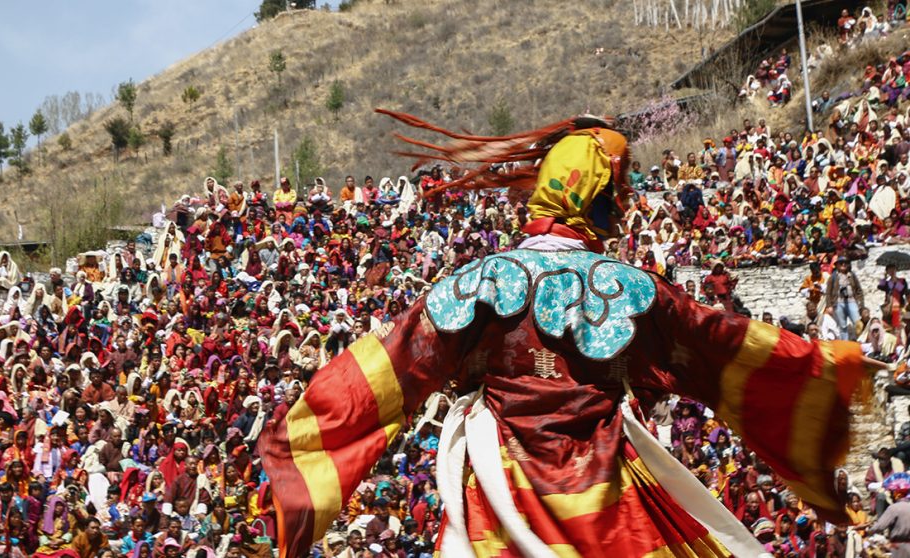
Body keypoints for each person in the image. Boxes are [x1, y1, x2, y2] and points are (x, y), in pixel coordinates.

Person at [261, 111, 881, 557]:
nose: (630, 199)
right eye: (621, 185)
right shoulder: (633, 290)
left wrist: (300, 449)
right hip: (609, 498)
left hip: (499, 495)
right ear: (596, 193)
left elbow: (385, 372)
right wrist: (825, 364)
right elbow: (721, 346)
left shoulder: (475, 284)